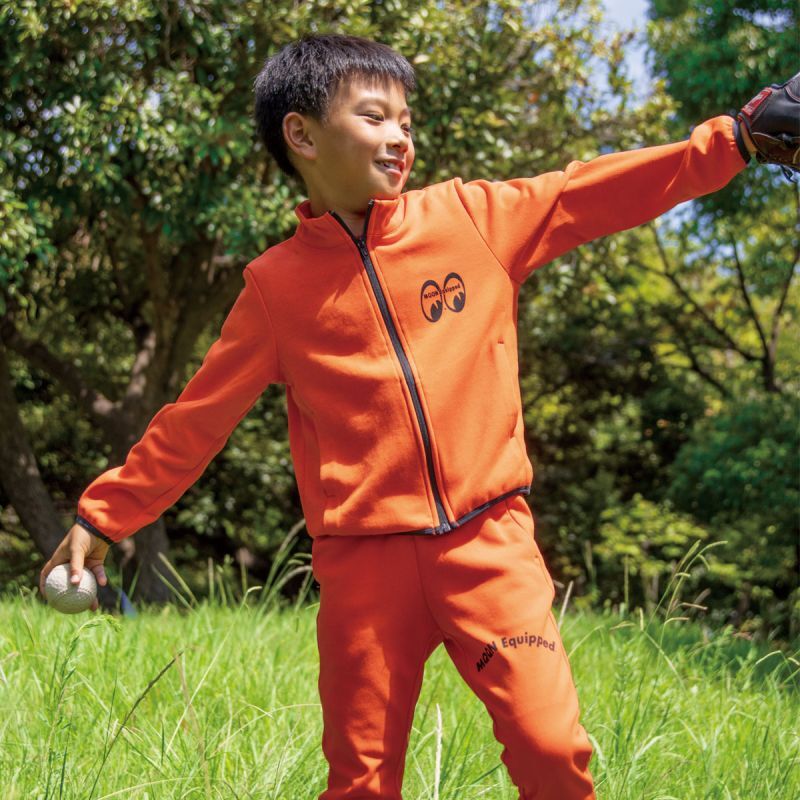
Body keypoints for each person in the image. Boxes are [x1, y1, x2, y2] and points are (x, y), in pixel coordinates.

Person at [38, 33, 796, 800]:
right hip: (364, 572)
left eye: (406, 121)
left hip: (489, 547)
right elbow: (195, 420)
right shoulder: (274, 288)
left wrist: (734, 139)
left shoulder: (471, 218)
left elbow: (595, 191)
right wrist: (104, 517)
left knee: (552, 750)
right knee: (362, 783)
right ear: (302, 135)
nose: (400, 137)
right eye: (374, 118)